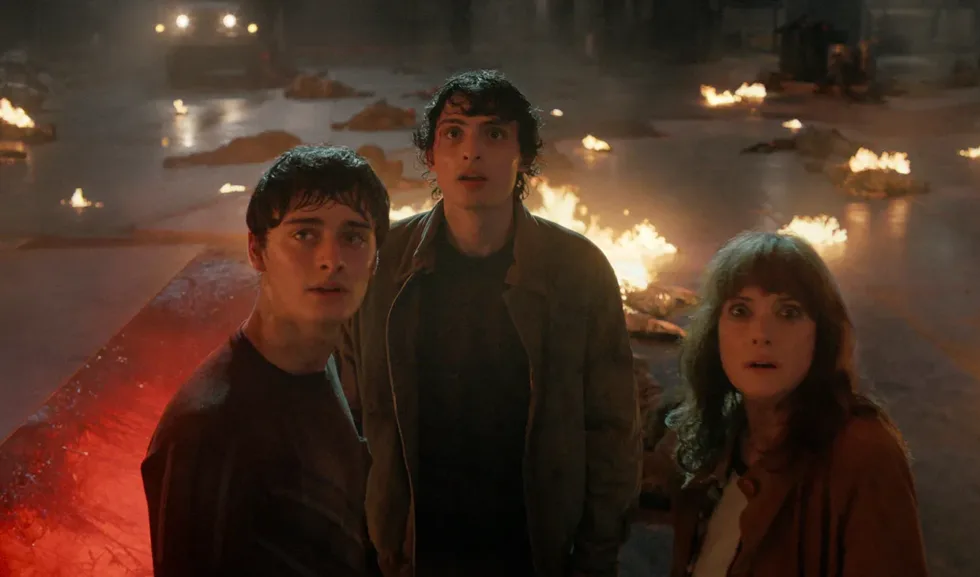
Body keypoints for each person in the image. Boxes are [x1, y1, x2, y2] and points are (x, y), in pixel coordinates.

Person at [339, 69, 642, 577]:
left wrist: (594, 556)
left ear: (524, 154)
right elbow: (348, 420)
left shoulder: (578, 269)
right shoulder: (383, 263)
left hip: (531, 549)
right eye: (453, 134)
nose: (471, 152)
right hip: (413, 550)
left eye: (494, 134)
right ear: (431, 156)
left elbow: (612, 430)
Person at [141, 145, 391, 577]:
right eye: (304, 234)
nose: (331, 260)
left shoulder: (328, 367)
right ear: (257, 250)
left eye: (353, 237)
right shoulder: (209, 429)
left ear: (374, 260)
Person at [665, 231, 928, 577]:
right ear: (715, 332)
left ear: (822, 335)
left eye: (788, 312)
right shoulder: (722, 434)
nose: (761, 334)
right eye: (740, 311)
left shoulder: (864, 456)